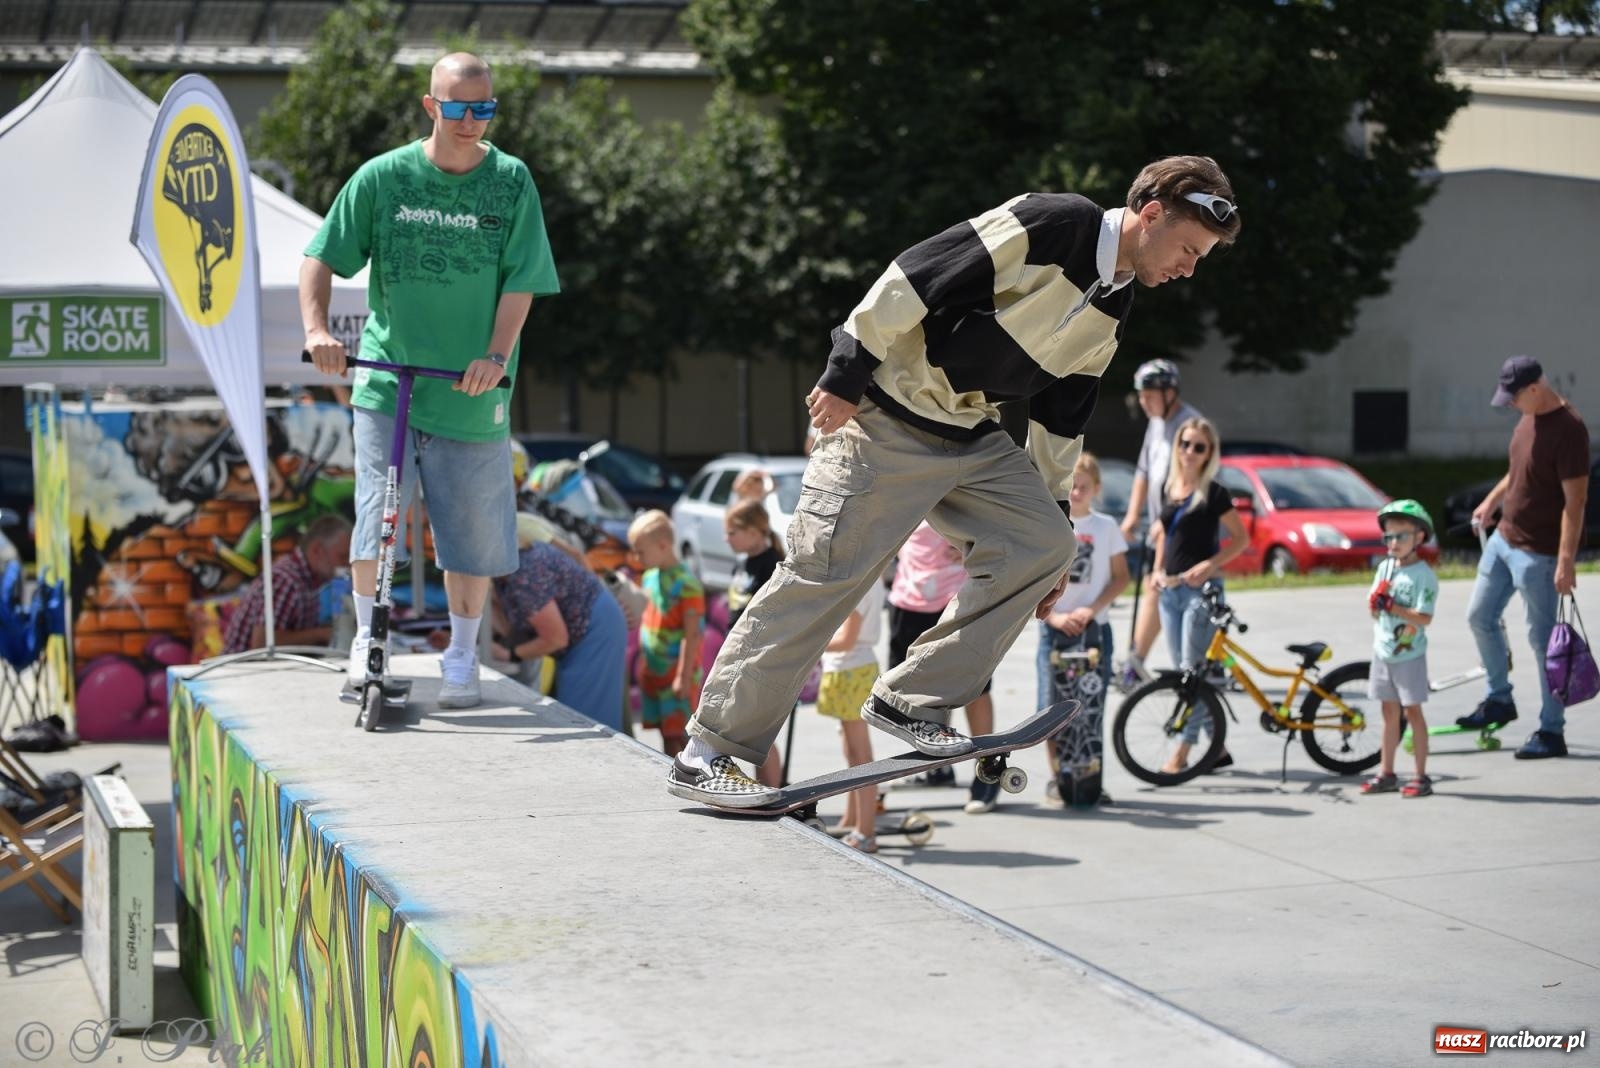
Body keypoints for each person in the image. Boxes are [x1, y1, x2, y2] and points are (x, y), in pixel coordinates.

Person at [667, 155, 1242, 805]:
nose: (1190, 268)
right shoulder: (1058, 222)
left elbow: (1063, 411)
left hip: (969, 434)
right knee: (820, 578)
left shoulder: (1115, 300)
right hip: (886, 419)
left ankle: (912, 699)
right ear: (1152, 215)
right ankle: (707, 752)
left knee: (1048, 544)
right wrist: (846, 369)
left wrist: (1053, 516)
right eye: (1190, 249)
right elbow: (917, 273)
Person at [301, 51, 560, 710]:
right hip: (390, 380)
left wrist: (496, 358)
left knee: (469, 532)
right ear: (430, 106)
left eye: (484, 108)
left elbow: (522, 281)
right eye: (458, 106)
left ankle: (464, 654)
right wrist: (318, 332)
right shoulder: (385, 178)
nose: (471, 120)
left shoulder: (510, 181)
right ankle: (368, 640)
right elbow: (321, 256)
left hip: (472, 388)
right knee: (377, 514)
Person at [1460, 356, 1590, 759]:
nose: (1510, 405)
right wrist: (1491, 501)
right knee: (1479, 616)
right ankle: (1499, 699)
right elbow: (1520, 470)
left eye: (1513, 397)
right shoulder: (1528, 417)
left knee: (1543, 642)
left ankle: (1552, 731)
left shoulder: (1570, 431)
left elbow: (1576, 502)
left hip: (1539, 555)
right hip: (1503, 540)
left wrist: (1566, 559)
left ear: (1535, 387)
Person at [1149, 416, 1248, 774]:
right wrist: (1157, 570)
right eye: (1185, 444)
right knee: (1184, 673)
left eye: (1199, 447)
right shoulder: (1167, 486)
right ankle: (1217, 750)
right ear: (1177, 447)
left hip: (1201, 594)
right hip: (1170, 593)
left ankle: (1183, 752)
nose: (1190, 452)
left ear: (1209, 454)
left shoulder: (1214, 492)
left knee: (1191, 676)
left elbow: (1241, 540)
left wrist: (1210, 564)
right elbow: (1163, 534)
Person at [885, 520, 1002, 813]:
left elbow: (996, 522)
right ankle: (937, 767)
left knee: (975, 687)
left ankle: (986, 769)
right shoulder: (903, 480)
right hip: (909, 596)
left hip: (957, 598)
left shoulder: (962, 476)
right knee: (917, 691)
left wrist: (974, 544)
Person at [1038, 452, 1129, 806]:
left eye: (1084, 487)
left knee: (1090, 708)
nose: (1076, 492)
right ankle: (1058, 778)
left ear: (1097, 489)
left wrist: (1091, 610)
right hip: (1055, 629)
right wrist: (1055, 617)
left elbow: (1121, 577)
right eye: (1072, 485)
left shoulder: (1105, 527)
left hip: (1095, 630)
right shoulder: (1052, 523)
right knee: (1051, 708)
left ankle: (1089, 776)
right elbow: (1033, 581)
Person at [490, 517, 627, 730]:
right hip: (584, 631)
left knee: (585, 725)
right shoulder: (505, 576)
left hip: (595, 631)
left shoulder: (525, 573)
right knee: (578, 720)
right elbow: (512, 626)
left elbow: (555, 638)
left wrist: (511, 654)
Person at [1116, 358, 1203, 690]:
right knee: (1157, 588)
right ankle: (1136, 660)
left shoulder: (1190, 427)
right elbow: (1143, 474)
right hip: (1159, 528)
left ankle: (1138, 659)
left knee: (1162, 589)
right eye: (1140, 395)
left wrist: (1166, 521)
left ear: (1170, 392)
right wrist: (1132, 517)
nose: (1143, 401)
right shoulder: (1155, 425)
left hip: (1181, 529)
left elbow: (1194, 479)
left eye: (1149, 394)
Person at [1360, 501, 1439, 798]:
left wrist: (1395, 607)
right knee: (1388, 712)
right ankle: (1387, 772)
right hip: (1383, 651)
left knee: (1412, 712)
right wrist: (1376, 604)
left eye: (1400, 537)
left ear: (1419, 538)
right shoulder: (1385, 567)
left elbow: (1425, 618)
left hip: (1409, 655)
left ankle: (1420, 776)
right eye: (1388, 537)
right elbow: (1374, 612)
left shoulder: (1423, 576)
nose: (1393, 543)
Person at [818, 578, 887, 851]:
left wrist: (812, 641)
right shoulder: (865, 579)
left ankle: (865, 831)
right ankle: (854, 819)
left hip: (851, 670)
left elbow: (847, 640)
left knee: (860, 755)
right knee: (852, 751)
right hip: (848, 670)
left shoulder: (862, 583)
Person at [630, 510, 705, 757]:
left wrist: (683, 677)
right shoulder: (650, 577)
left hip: (676, 675)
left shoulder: (687, 585)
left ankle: (695, 777)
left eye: (641, 551)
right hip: (654, 671)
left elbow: (691, 635)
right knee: (665, 732)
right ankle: (673, 774)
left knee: (680, 734)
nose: (636, 557)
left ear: (662, 545)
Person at [722, 499, 786, 785]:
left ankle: (771, 789)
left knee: (759, 732)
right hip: (737, 656)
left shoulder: (771, 564)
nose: (727, 539)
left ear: (754, 531)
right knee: (745, 731)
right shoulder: (742, 563)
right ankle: (762, 787)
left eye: (733, 532)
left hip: (759, 658)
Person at [221, 516, 353, 654]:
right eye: (342, 556)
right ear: (317, 550)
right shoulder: (286, 580)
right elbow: (262, 644)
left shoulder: (308, 579)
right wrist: (321, 634)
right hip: (243, 669)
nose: (347, 565)